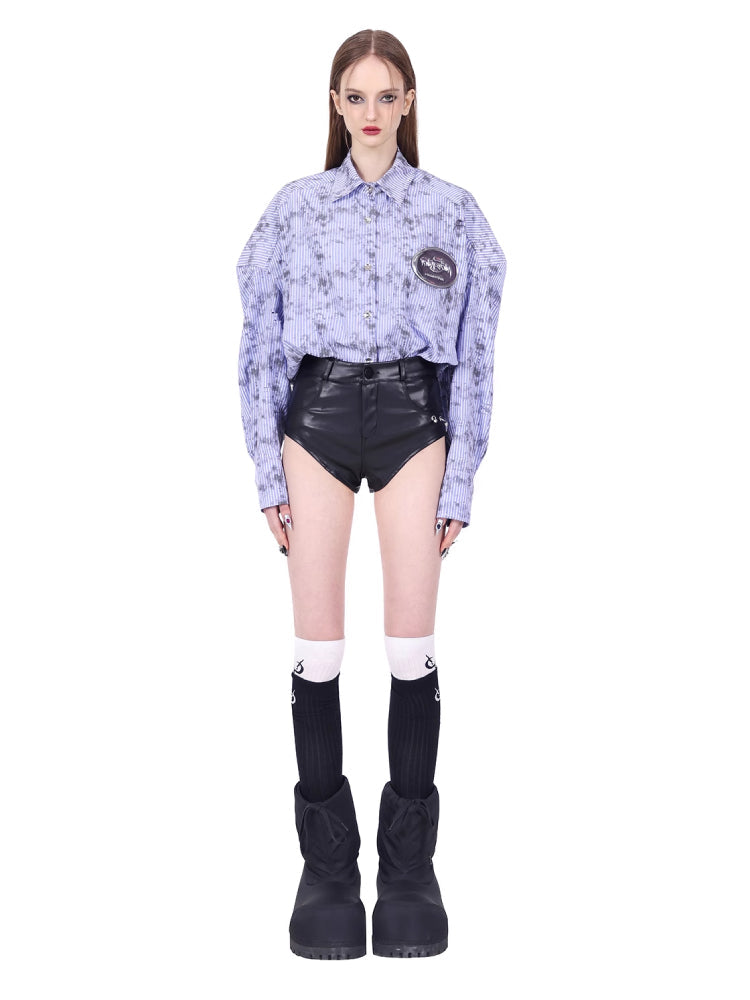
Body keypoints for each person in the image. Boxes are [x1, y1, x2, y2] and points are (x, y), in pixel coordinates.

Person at [236, 28, 507, 960]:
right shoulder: (294, 209)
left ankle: (410, 871)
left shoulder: (454, 213)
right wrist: (265, 467)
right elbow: (258, 342)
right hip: (314, 416)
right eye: (355, 96)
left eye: (387, 96)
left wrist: (461, 474)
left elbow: (476, 355)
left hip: (411, 418)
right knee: (317, 653)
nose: (372, 113)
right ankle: (325, 872)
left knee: (410, 648)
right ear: (335, 106)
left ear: (409, 103)